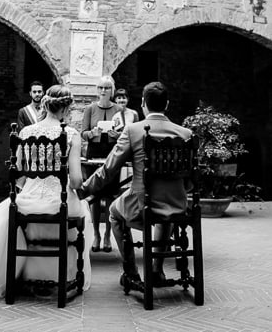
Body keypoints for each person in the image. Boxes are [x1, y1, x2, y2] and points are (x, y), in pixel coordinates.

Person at [0, 85, 92, 297]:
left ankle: (21, 275)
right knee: (83, 210)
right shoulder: (71, 134)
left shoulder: (25, 132)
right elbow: (76, 181)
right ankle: (62, 276)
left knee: (4, 217)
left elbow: (19, 173)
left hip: (27, 201)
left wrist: (30, 189)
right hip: (59, 202)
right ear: (66, 108)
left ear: (46, 104)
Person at [78, 81, 192, 289]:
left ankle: (131, 272)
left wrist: (85, 188)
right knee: (165, 215)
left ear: (143, 104)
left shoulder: (134, 130)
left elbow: (109, 169)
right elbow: (190, 181)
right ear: (167, 104)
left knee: (113, 212)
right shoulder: (185, 134)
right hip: (178, 205)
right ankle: (156, 271)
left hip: (143, 205)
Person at [80, 74, 123, 252]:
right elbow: (83, 133)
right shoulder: (90, 109)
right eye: (101, 87)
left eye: (107, 87)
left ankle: (107, 236)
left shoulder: (118, 109)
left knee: (110, 194)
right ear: (97, 90)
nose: (103, 91)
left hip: (112, 151)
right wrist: (93, 132)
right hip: (94, 151)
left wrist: (116, 135)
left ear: (112, 90)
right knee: (95, 195)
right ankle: (96, 234)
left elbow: (123, 134)